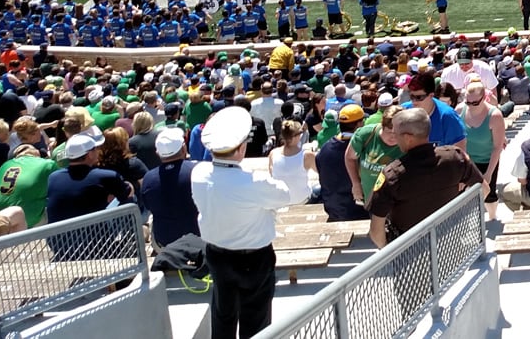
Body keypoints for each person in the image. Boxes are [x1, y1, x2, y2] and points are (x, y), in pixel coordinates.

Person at [192, 106, 310, 339]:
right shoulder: (256, 182)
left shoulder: (199, 173)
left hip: (217, 255)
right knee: (256, 321)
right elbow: (284, 195)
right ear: (241, 148)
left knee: (223, 315)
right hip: (254, 259)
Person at [368, 108, 480, 247]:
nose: (395, 138)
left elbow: (376, 230)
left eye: (396, 133)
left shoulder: (392, 175)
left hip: (409, 250)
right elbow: (483, 190)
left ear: (408, 137)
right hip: (450, 244)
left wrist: (389, 251)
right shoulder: (455, 157)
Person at [47, 132, 134, 223]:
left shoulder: (53, 177)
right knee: (131, 193)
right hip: (95, 231)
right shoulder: (107, 176)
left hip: (59, 232)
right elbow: (128, 193)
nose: (98, 150)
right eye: (95, 148)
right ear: (89, 154)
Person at [139, 128, 200, 247]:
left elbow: (148, 205)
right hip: (198, 237)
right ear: (184, 148)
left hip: (165, 242)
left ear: (158, 153)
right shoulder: (198, 170)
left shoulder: (148, 178)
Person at [456, 87, 505, 217]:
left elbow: (497, 147)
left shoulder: (494, 115)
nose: (471, 106)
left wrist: (489, 173)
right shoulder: (459, 110)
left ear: (483, 98)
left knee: (489, 193)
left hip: (487, 159)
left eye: (475, 103)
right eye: (468, 102)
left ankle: (492, 216)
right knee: (462, 192)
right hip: (467, 160)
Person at [0, 144, 59, 230]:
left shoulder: (5, 164)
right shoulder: (48, 164)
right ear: (37, 153)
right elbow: (64, 181)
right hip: (26, 220)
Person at [315, 104, 369, 222]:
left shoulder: (325, 147)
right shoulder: (363, 148)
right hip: (361, 212)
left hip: (334, 209)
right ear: (359, 124)